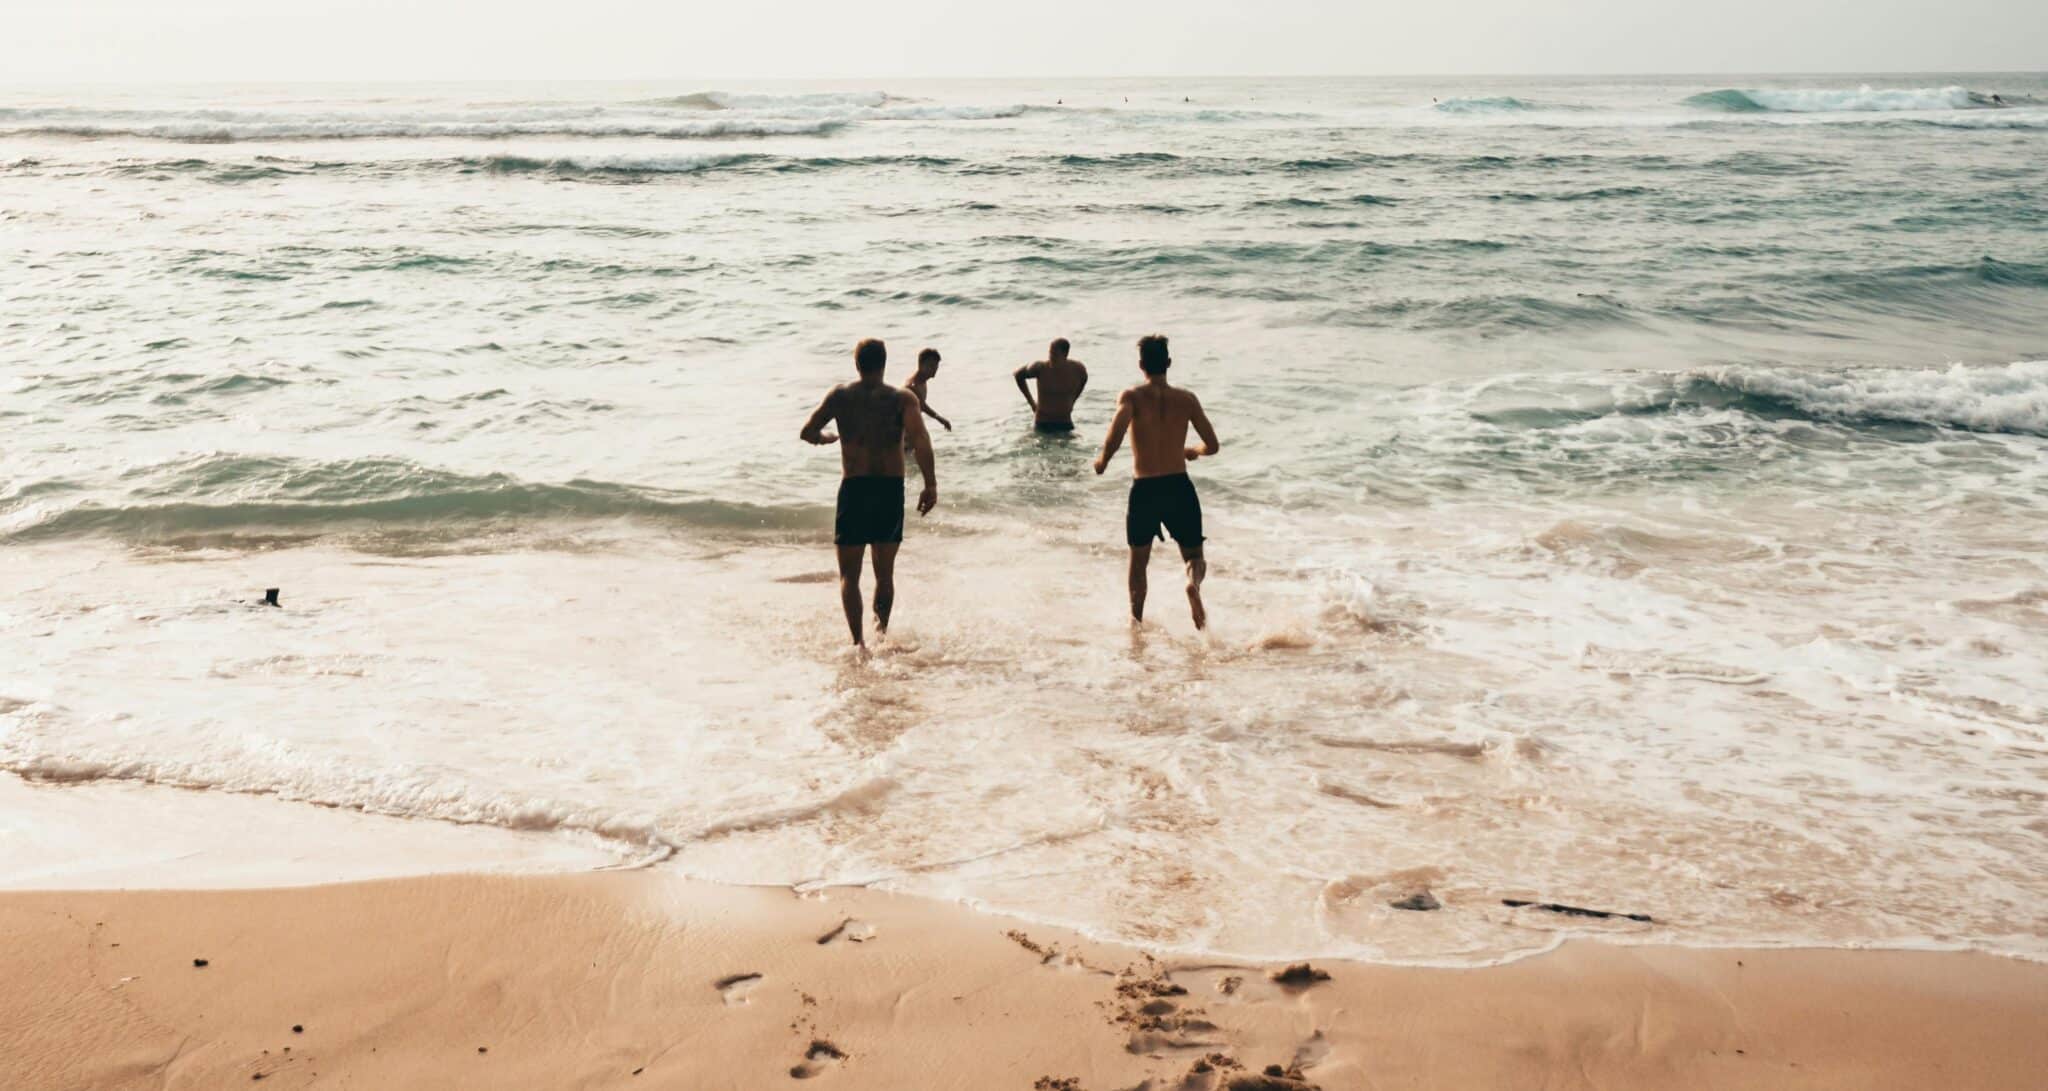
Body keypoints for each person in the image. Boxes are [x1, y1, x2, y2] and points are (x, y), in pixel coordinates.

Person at [801, 339, 938, 647]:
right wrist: (930, 484)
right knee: (884, 575)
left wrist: (826, 439)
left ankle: (857, 644)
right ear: (884, 363)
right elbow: (921, 440)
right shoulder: (902, 399)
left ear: (857, 364)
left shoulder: (840, 396)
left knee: (849, 575)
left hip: (854, 489)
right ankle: (881, 636)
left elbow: (807, 431)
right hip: (889, 490)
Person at [1093, 335, 1220, 630]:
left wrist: (1103, 461)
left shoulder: (1132, 397)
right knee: (1194, 555)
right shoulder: (1186, 400)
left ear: (1141, 365)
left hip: (1145, 489)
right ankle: (1192, 585)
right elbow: (1212, 445)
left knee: (1139, 562)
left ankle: (1135, 622)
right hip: (1179, 486)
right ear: (1169, 363)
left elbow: (1117, 433)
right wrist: (1193, 451)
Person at [1013, 338, 1089, 432]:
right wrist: (1032, 403)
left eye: (1055, 355)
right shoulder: (1040, 368)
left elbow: (1084, 379)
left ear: (1065, 355)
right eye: (1050, 353)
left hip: (1065, 422)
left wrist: (1073, 400)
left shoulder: (1077, 369)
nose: (1051, 358)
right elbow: (1018, 375)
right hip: (1043, 423)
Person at [908, 348, 952, 434]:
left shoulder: (923, 380)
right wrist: (940, 419)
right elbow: (922, 406)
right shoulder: (913, 385)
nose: (934, 369)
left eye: (936, 366)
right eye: (931, 365)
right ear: (920, 365)